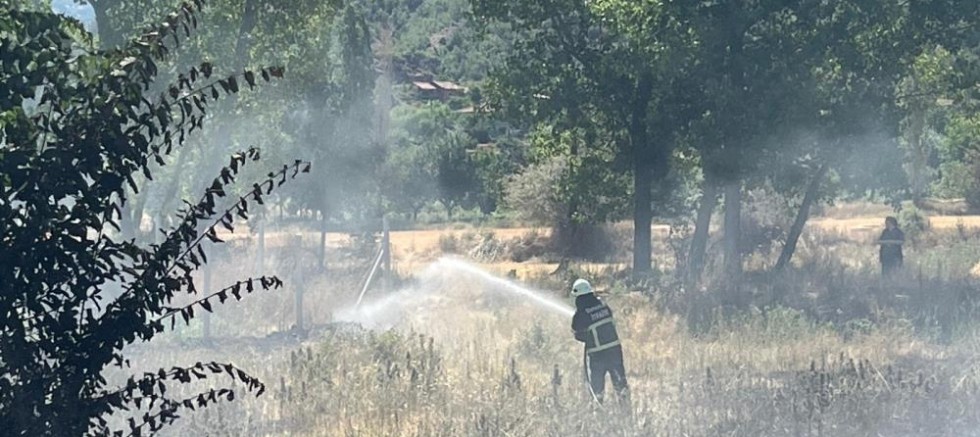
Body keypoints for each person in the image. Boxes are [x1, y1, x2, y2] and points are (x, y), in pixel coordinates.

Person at [570, 278, 630, 406]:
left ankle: (598, 414)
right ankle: (626, 413)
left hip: (598, 355)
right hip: (615, 351)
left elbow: (577, 332)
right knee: (621, 386)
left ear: (579, 297)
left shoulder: (581, 313)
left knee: (597, 390)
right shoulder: (603, 305)